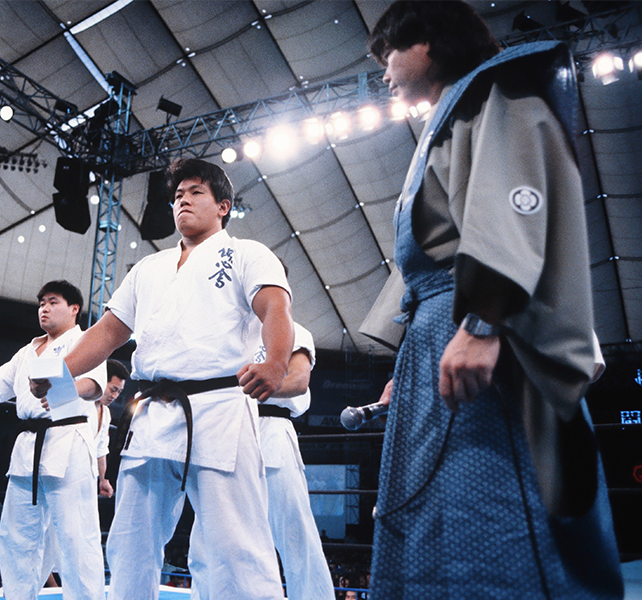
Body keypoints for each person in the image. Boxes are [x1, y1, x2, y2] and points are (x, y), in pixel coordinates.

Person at [359, 2, 623, 597]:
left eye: (387, 56)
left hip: (481, 329)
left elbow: (513, 208)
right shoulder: (459, 112)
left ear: (426, 42)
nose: (383, 74)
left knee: (496, 505)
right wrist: (413, 364)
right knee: (438, 513)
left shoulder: (499, 97)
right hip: (438, 332)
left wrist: (482, 324)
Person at [54, 157, 294, 600]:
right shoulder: (149, 268)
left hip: (219, 406)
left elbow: (275, 309)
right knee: (129, 543)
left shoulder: (247, 254)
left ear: (224, 205)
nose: (183, 200)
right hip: (152, 411)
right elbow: (107, 332)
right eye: (178, 195)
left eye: (196, 192)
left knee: (235, 546)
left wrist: (277, 362)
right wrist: (56, 372)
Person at [0, 280, 106, 600]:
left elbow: (94, 385)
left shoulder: (84, 340)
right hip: (28, 448)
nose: (44, 308)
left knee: (76, 538)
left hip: (68, 440)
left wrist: (60, 389)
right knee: (16, 539)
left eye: (53, 302)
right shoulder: (28, 351)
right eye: (41, 302)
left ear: (74, 308)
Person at [189, 322, 335, 600]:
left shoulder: (293, 330)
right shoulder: (224, 327)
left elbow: (299, 381)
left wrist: (239, 391)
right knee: (206, 538)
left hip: (271, 430)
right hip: (224, 428)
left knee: (295, 536)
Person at [95, 359, 128, 498]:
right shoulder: (80, 404)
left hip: (87, 475)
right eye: (113, 389)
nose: (115, 396)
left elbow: (101, 449)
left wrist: (103, 480)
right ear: (101, 379)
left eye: (119, 392)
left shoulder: (106, 412)